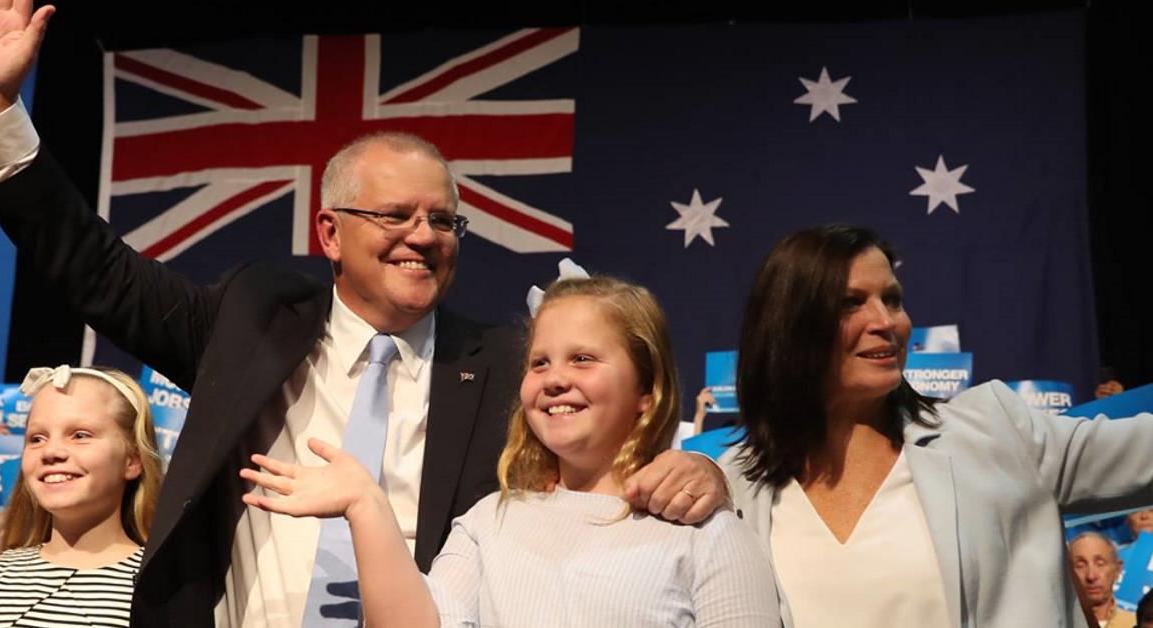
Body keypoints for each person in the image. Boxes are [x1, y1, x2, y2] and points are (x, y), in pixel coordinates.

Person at [0, 3, 728, 625]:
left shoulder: (503, 364)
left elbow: (598, 460)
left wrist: (698, 473)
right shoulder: (251, 320)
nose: (423, 237)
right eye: (395, 215)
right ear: (330, 232)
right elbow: (96, 271)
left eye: (444, 221)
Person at [241, 276, 780, 626]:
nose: (555, 380)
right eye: (539, 363)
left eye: (584, 359)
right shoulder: (487, 524)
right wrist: (366, 503)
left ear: (647, 390)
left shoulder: (709, 536)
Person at [719, 224, 1153, 627]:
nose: (887, 322)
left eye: (892, 299)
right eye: (851, 302)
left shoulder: (995, 432)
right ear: (788, 326)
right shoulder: (734, 485)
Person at [0, 364, 164, 627]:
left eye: (80, 435)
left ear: (132, 460)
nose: (51, 451)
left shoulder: (160, 585)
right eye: (37, 438)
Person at [1070, 532, 1137, 628]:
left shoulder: (1137, 623)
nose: (1091, 576)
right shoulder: (1055, 623)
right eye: (1080, 566)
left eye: (1100, 564)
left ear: (1117, 570)